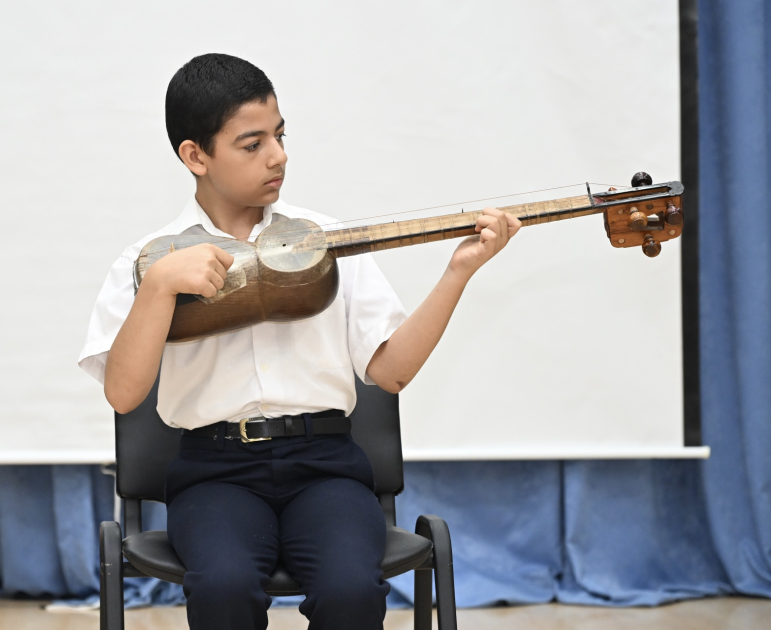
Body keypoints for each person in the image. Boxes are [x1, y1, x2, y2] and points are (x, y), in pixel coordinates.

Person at [79, 53, 521, 630]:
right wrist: (160, 288)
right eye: (253, 144)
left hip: (326, 467)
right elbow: (123, 393)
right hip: (215, 474)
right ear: (195, 156)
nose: (278, 156)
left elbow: (391, 372)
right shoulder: (148, 260)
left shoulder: (325, 240)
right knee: (223, 587)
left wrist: (458, 271)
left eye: (280, 136)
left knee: (351, 589)